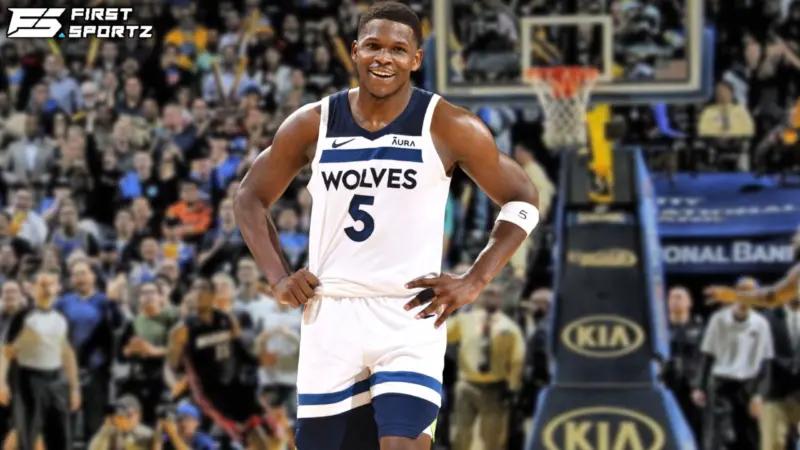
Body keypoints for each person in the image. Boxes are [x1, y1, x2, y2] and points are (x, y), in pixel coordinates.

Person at [232, 2, 539, 449]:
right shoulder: (313, 123)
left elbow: (523, 198)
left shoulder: (448, 124)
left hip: (408, 313)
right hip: (330, 313)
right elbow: (248, 198)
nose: (384, 57)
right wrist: (278, 277)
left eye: (398, 49)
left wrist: (476, 280)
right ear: (355, 50)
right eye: (373, 46)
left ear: (416, 59)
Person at [167, 281, 270, 449]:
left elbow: (240, 350)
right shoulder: (182, 330)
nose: (198, 295)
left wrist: (259, 360)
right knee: (245, 433)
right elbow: (172, 365)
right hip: (211, 393)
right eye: (195, 290)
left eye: (203, 290)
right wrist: (174, 383)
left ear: (213, 295)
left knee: (263, 430)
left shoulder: (226, 319)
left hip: (235, 383)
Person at [0, 270, 81, 450]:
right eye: (42, 285)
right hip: (29, 381)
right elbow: (5, 351)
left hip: (56, 380)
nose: (47, 289)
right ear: (32, 289)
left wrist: (75, 387)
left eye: (51, 284)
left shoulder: (61, 319)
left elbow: (68, 354)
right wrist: (1, 383)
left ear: (58, 288)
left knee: (60, 437)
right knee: (27, 436)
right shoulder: (23, 317)